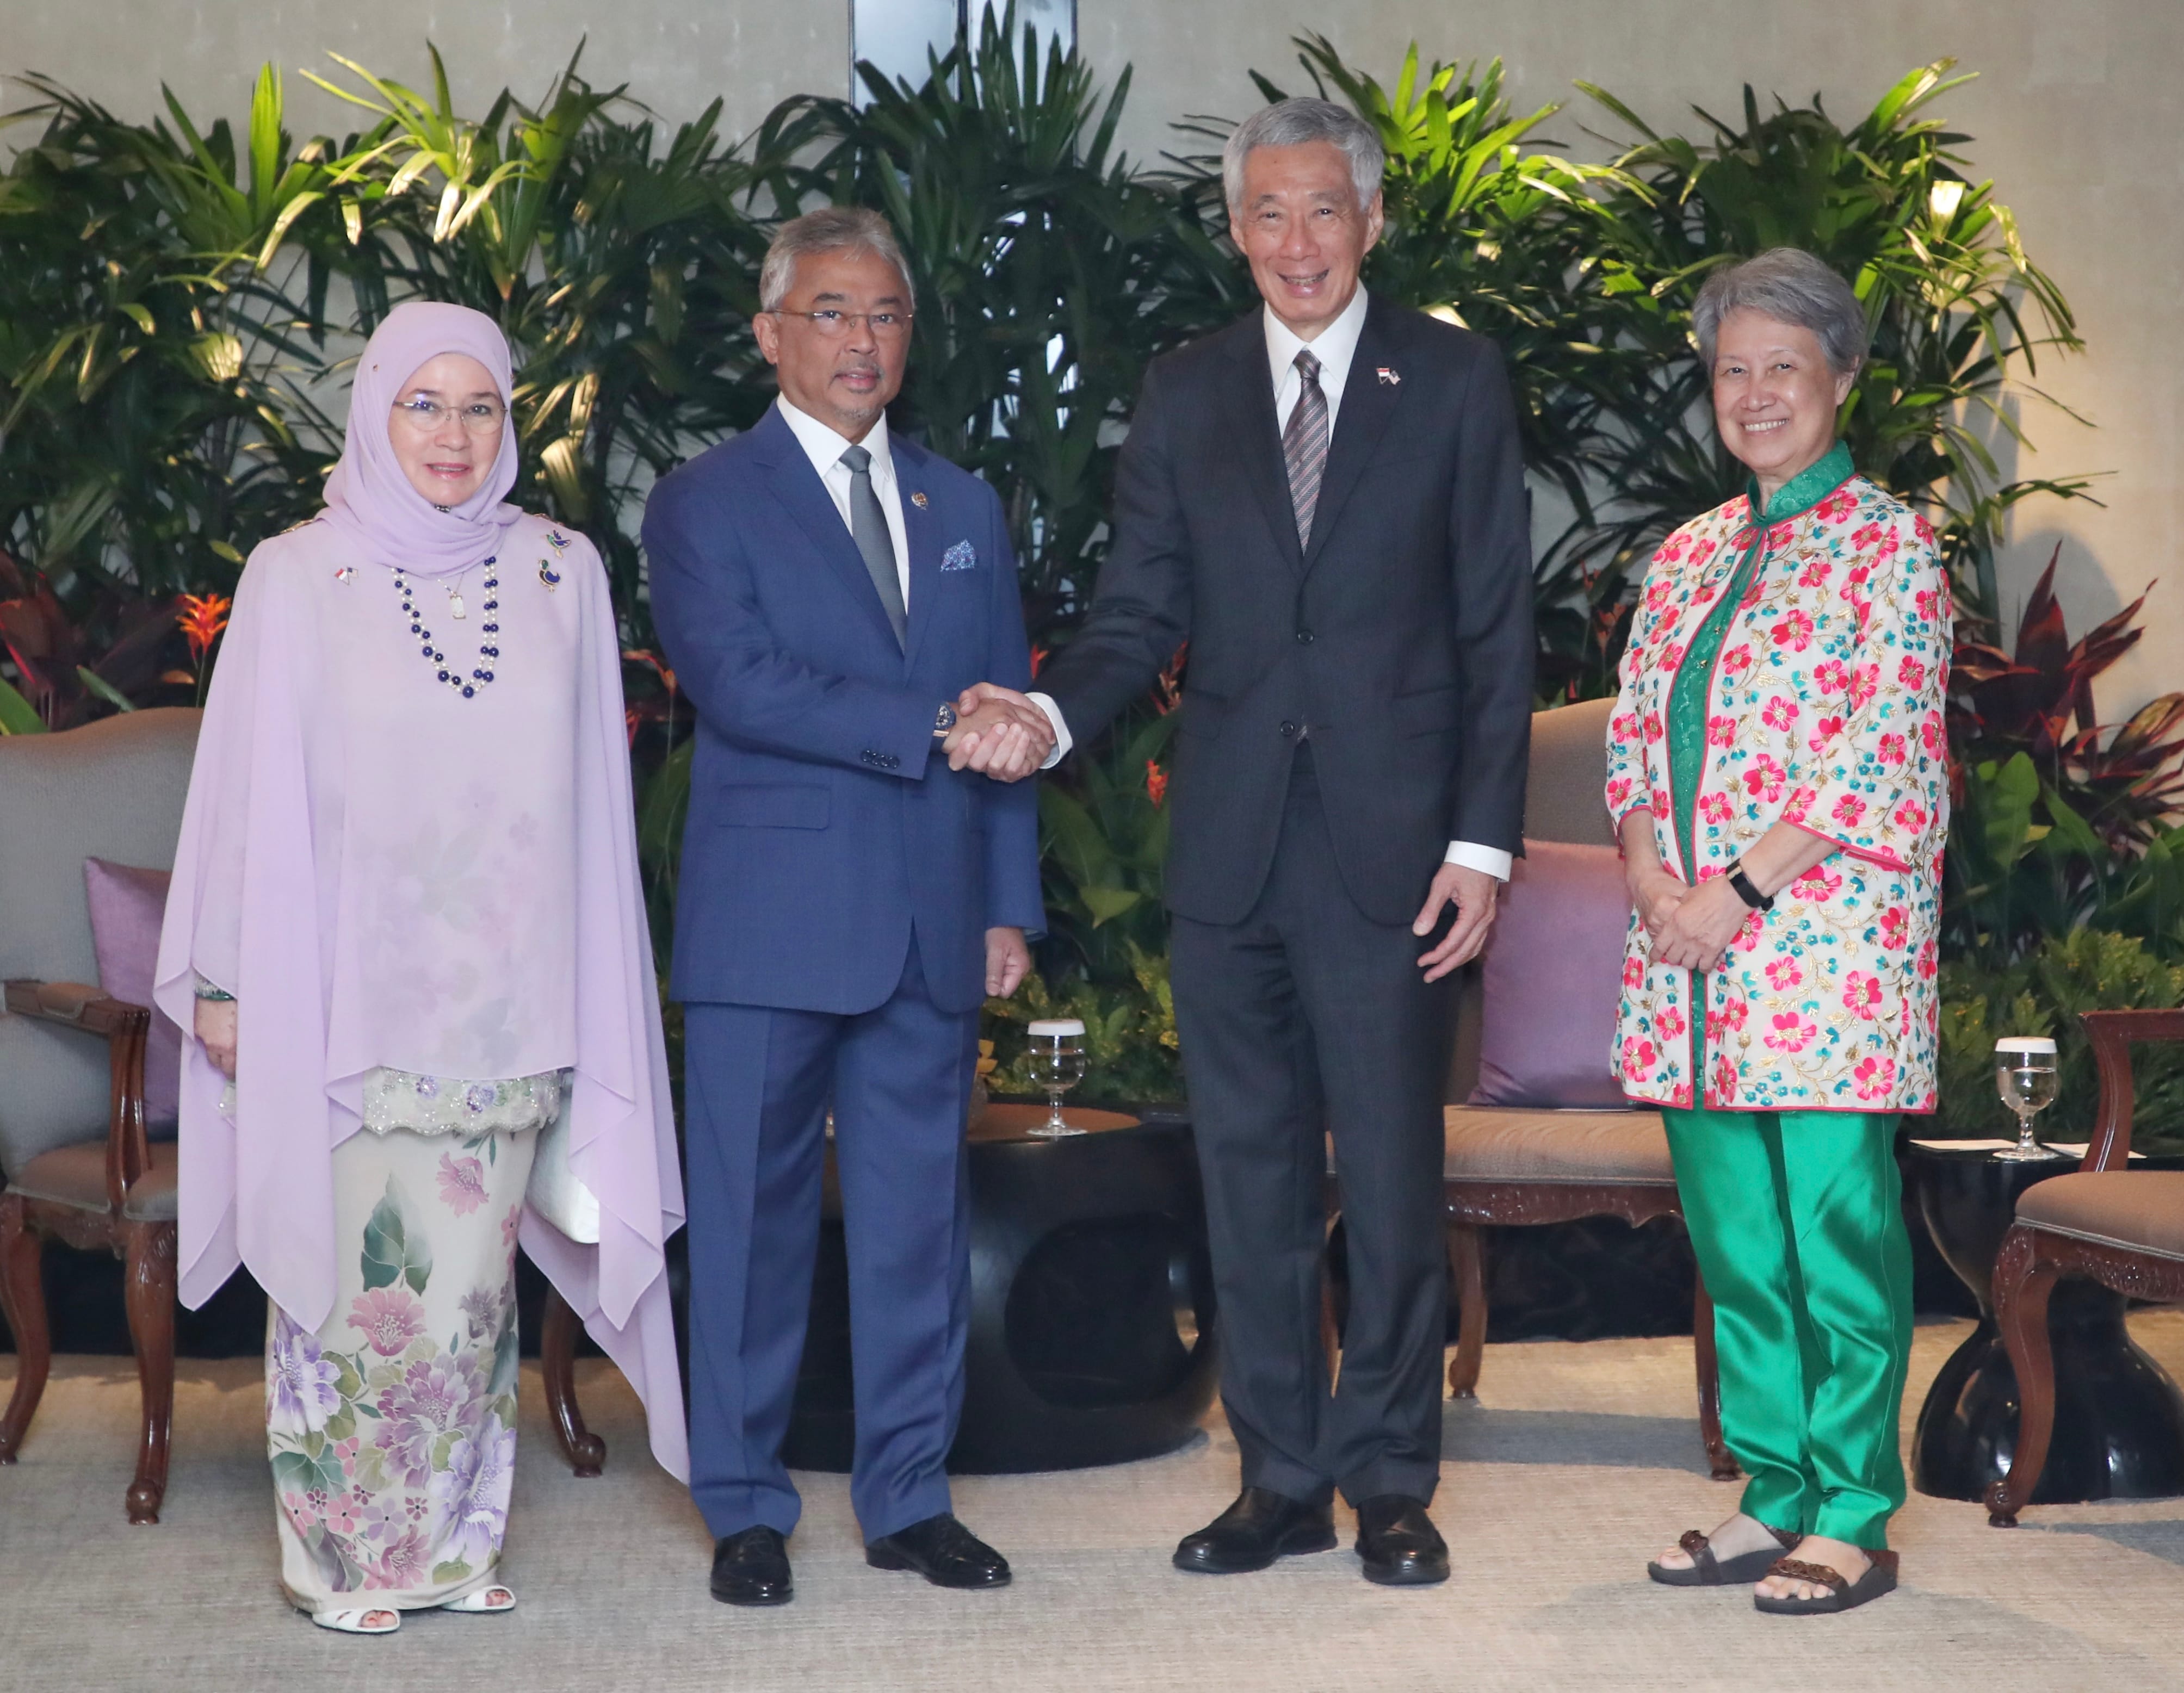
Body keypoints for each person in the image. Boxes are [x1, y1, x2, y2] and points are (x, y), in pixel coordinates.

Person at [966, 98, 1535, 1585]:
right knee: (1249, 1179)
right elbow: (1141, 611)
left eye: (1324, 212)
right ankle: (1280, 1472)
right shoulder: (1186, 390)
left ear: (1372, 220)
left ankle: (1394, 1477)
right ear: (1237, 228)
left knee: (1396, 1184)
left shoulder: (1459, 378)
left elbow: (1493, 626)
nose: (1296, 243)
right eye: (1269, 215)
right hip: (1227, 849)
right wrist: (1046, 713)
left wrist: (1484, 842)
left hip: (1397, 854)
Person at [156, 302, 688, 1634]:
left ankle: (449, 1548)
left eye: (481, 408)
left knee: (463, 1305)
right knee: (352, 1299)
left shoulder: (565, 570)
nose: (453, 436)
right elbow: (239, 791)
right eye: (423, 405)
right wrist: (224, 982)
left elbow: (590, 808)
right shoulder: (295, 573)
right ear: (375, 412)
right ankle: (342, 1562)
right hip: (344, 1002)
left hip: (511, 1002)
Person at [642, 207, 1048, 1609]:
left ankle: (908, 1497)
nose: (860, 339)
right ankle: (745, 1506)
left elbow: (1007, 701)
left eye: (884, 315)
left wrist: (1006, 903)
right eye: (829, 312)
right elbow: (741, 685)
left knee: (915, 1225)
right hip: (771, 918)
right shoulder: (703, 499)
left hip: (937, 916)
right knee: (749, 1227)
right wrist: (935, 721)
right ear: (770, 334)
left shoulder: (963, 505)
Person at [1608, 247, 1950, 1616]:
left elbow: (1883, 757)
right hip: (1685, 960)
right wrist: (1649, 883)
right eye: (1731, 370)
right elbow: (1632, 738)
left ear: (1843, 380)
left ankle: (1853, 1510)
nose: (1754, 395)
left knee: (1834, 1237)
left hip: (1820, 952)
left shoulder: (1891, 544)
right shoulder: (1686, 551)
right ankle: (1772, 1492)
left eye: (1783, 368)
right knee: (1739, 1246)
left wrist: (1733, 896)